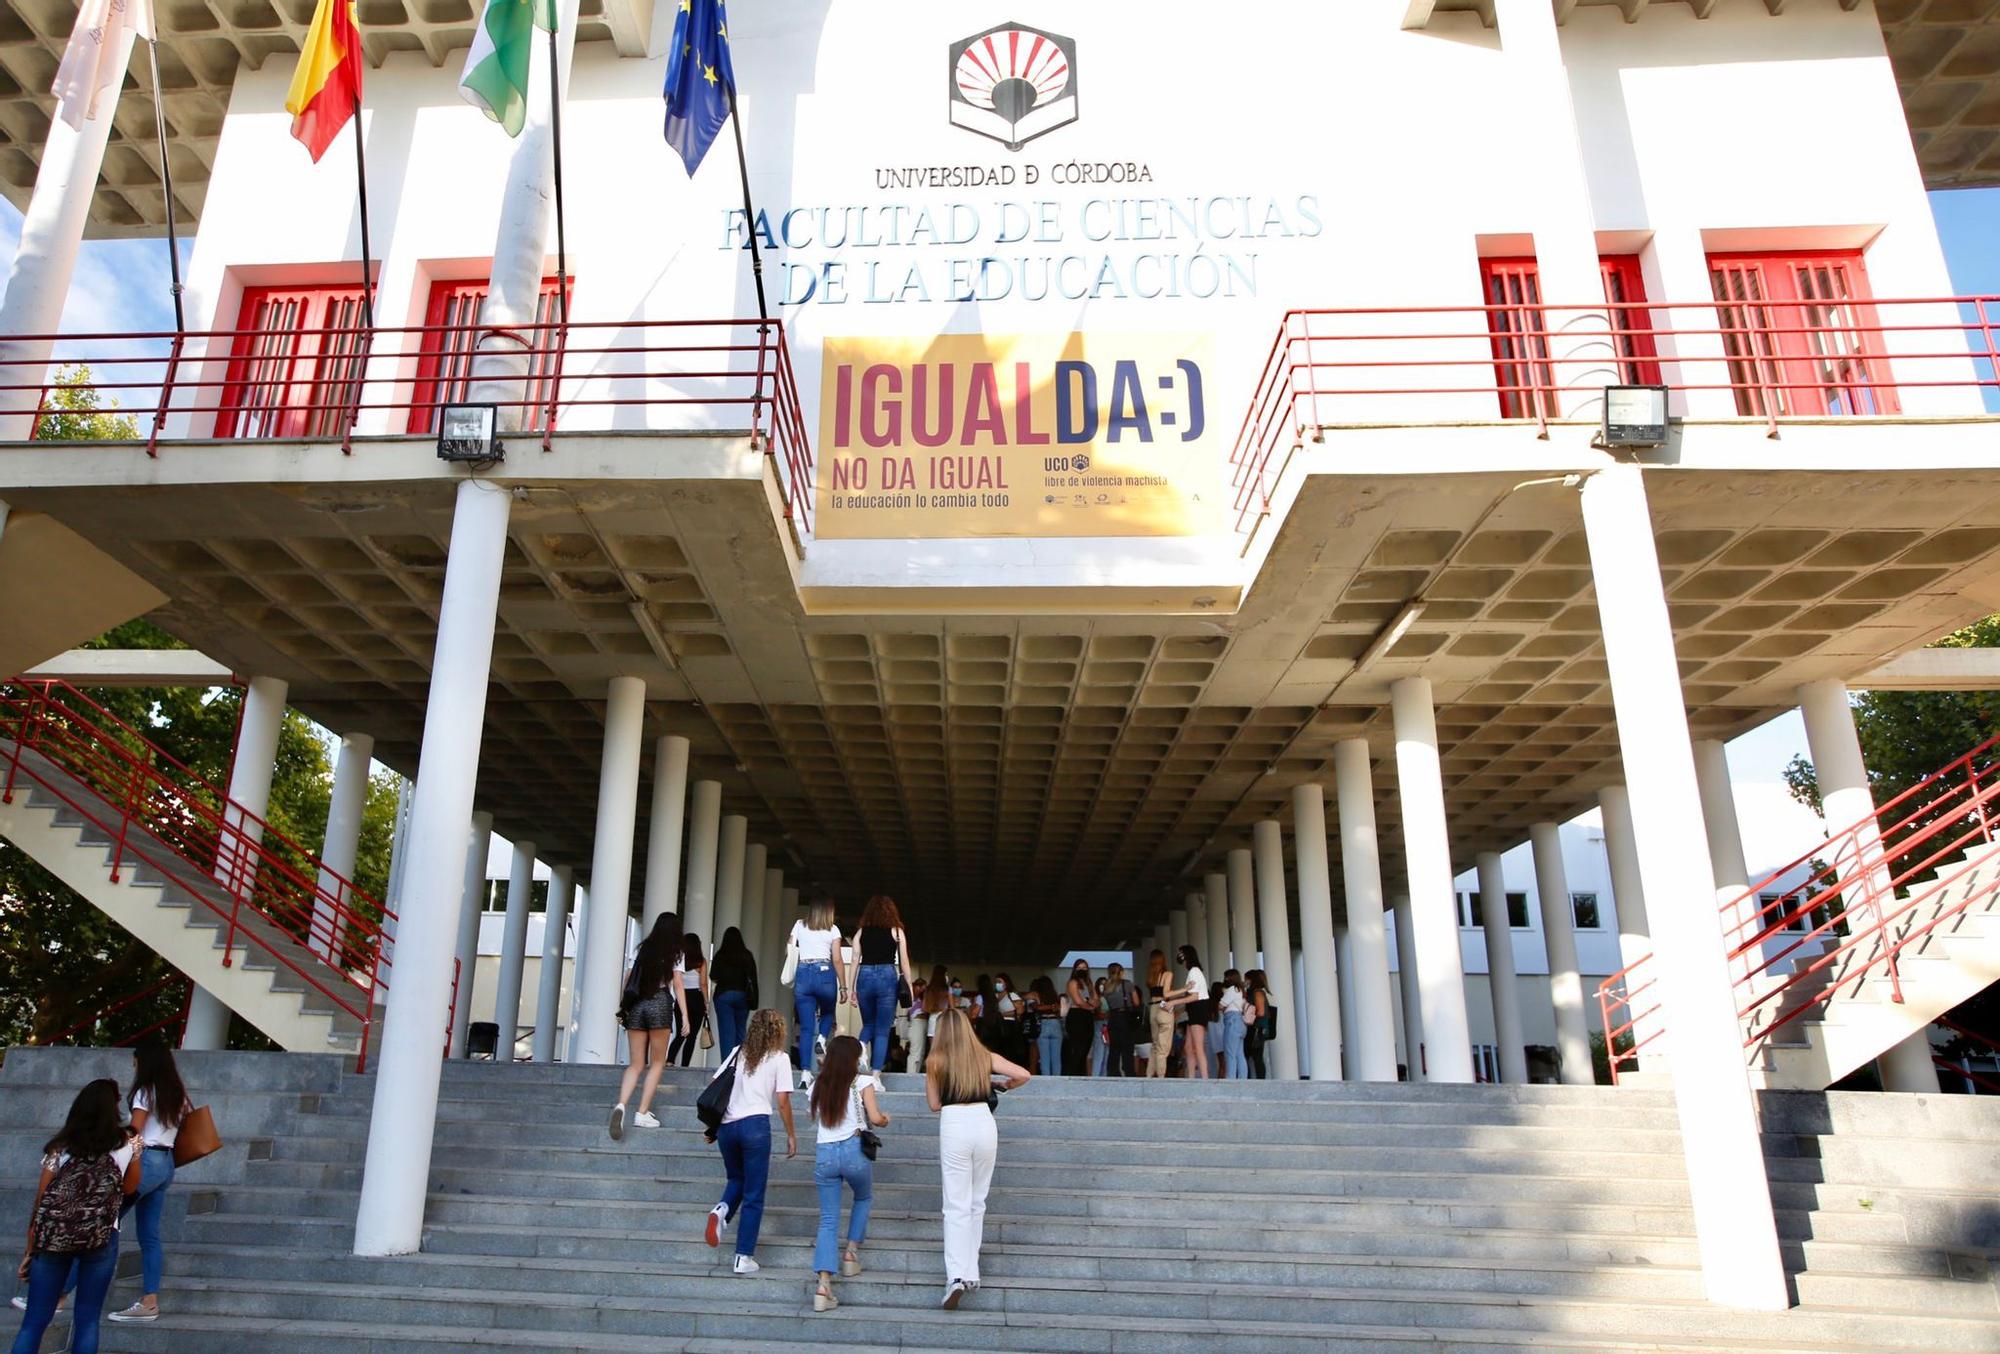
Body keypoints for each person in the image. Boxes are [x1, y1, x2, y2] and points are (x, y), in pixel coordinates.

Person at [12, 1079, 140, 1354]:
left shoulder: (61, 1144)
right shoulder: (128, 1140)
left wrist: (31, 1246)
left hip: (54, 1237)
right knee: (87, 1320)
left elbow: (42, 1197)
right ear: (115, 1106)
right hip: (103, 1234)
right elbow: (131, 1187)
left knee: (33, 1321)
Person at [925, 1009, 1030, 1311]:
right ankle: (971, 1271)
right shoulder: (984, 1056)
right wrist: (1002, 1085)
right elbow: (1024, 1074)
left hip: (954, 1122)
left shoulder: (935, 1061)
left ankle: (956, 1276)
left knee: (955, 1204)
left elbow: (934, 1104)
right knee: (977, 1201)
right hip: (984, 1123)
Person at [704, 1008, 796, 1275]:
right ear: (777, 1031)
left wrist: (713, 1126)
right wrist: (791, 1134)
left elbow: (715, 1084)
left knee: (736, 1180)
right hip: (755, 1126)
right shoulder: (779, 1058)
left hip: (727, 1128)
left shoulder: (737, 1053)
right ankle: (742, 1257)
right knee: (754, 1194)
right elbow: (782, 1102)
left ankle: (722, 1210)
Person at [104, 1042, 189, 1324]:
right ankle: (150, 1301)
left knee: (104, 1222)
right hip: (166, 1164)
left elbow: (134, 1132)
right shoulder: (178, 1095)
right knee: (150, 1236)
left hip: (145, 1161)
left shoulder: (145, 1091)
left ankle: (60, 1294)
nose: (134, 1066)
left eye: (135, 1061)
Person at [808, 1035, 889, 1313]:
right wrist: (885, 1119)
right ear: (855, 1058)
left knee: (828, 1219)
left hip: (825, 1154)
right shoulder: (863, 1082)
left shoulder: (819, 1083)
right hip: (854, 1150)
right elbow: (876, 1118)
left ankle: (823, 1285)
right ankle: (851, 1253)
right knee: (863, 1197)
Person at [612, 912, 690, 1139]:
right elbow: (678, 984)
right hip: (659, 1003)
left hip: (637, 1005)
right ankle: (642, 1113)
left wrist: (623, 1006)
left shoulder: (642, 948)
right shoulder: (676, 951)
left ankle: (621, 1106)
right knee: (657, 1063)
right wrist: (685, 1016)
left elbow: (628, 978)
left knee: (635, 1064)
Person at [845, 894, 917, 1072]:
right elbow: (904, 962)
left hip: (865, 976)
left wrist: (850, 988)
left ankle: (861, 1049)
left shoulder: (861, 932)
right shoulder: (897, 932)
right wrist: (909, 985)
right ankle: (876, 1075)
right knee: (883, 1029)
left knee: (868, 1024)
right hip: (887, 977)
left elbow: (854, 960)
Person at [789, 894, 843, 1076]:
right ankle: (821, 1038)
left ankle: (805, 1073)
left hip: (804, 972)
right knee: (828, 1011)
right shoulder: (833, 929)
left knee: (805, 1028)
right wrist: (843, 986)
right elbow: (836, 958)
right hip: (824, 972)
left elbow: (788, 948)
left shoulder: (799, 925)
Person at [708, 927, 758, 1062]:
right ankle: (740, 1064)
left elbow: (713, 976)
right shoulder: (747, 955)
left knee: (726, 1034)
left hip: (724, 996)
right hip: (743, 996)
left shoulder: (720, 955)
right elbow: (753, 978)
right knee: (741, 1031)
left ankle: (727, 1067)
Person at [669, 932, 712, 1068]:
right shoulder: (701, 961)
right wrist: (706, 1002)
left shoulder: (678, 960)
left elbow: (674, 981)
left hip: (681, 998)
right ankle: (685, 1065)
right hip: (696, 999)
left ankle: (670, 1060)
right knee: (692, 1036)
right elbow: (703, 984)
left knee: (680, 1033)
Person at [1166, 946, 1210, 1079]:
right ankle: (1191, 1078)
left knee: (1197, 1047)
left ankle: (1204, 1079)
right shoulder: (1194, 971)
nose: (1179, 956)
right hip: (1195, 1010)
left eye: (1181, 953)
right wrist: (1180, 1009)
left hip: (1198, 1010)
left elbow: (1195, 996)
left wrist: (1174, 1003)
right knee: (1189, 1047)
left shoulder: (1194, 971)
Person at [1101, 962, 1140, 1077]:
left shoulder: (1106, 987)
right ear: (1121, 972)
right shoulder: (1127, 984)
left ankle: (1113, 1072)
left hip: (1112, 1018)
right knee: (1127, 1047)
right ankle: (1129, 1072)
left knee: (1114, 1048)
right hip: (1125, 1017)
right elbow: (1136, 1002)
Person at [912, 964, 951, 1073]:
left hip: (932, 1021)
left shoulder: (929, 990)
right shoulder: (947, 990)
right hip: (944, 1021)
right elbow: (952, 1007)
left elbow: (925, 1008)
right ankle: (944, 1072)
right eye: (946, 974)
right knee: (945, 1050)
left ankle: (932, 1071)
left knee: (933, 1050)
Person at [1061, 960, 1097, 1076]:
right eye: (1080, 967)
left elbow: (1097, 1000)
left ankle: (1081, 1075)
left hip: (1087, 1017)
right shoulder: (1072, 982)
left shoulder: (1089, 983)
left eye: (1084, 967)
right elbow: (1078, 1001)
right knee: (1078, 1049)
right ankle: (1072, 1075)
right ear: (1075, 969)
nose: (1082, 970)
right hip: (1076, 1016)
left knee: (1086, 1048)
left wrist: (1090, 1004)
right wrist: (1090, 1005)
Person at [1145, 950, 1174, 1079]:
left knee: (1155, 1045)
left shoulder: (1151, 977)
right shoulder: (1167, 974)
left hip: (1153, 1009)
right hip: (1163, 1007)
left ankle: (1149, 1075)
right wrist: (1184, 989)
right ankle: (1161, 1076)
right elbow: (1166, 993)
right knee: (1163, 1047)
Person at [1027, 976, 1062, 1076]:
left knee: (1044, 1058)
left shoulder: (1035, 995)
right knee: (1056, 1058)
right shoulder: (1055, 996)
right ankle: (1057, 1082)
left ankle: (1046, 1083)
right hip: (1056, 1023)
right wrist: (1053, 1007)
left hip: (1043, 1023)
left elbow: (1035, 1007)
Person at [1218, 970, 1249, 1079]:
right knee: (1240, 1054)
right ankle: (1242, 1080)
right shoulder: (1241, 990)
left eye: (1226, 977)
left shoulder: (1232, 990)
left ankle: (1230, 1080)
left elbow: (1221, 1005)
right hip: (1241, 1023)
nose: (1224, 979)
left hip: (1232, 1021)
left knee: (1230, 1054)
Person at [991, 972, 1027, 1066]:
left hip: (1010, 1026)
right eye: (996, 982)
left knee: (1009, 1051)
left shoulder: (1012, 995)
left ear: (1006, 983)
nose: (997, 984)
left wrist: (1002, 1014)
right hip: (998, 1026)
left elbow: (1020, 1011)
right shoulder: (995, 996)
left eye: (999, 981)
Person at [1244, 969, 1272, 1079]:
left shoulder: (1257, 993)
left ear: (1251, 980)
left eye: (1246, 979)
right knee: (1256, 1056)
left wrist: (1248, 1016)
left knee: (1256, 1056)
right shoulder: (1256, 992)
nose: (1244, 981)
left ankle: (1259, 1080)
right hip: (1258, 1027)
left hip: (1257, 1028)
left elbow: (1260, 1012)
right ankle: (1258, 1079)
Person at [1089, 977, 1111, 1077]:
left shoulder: (1110, 998)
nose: (1103, 986)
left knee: (1107, 1056)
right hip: (1100, 1026)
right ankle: (1095, 1078)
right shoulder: (1096, 998)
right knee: (1099, 1055)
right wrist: (1110, 1014)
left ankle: (1104, 1079)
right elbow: (1098, 1015)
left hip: (1109, 1026)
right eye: (1101, 984)